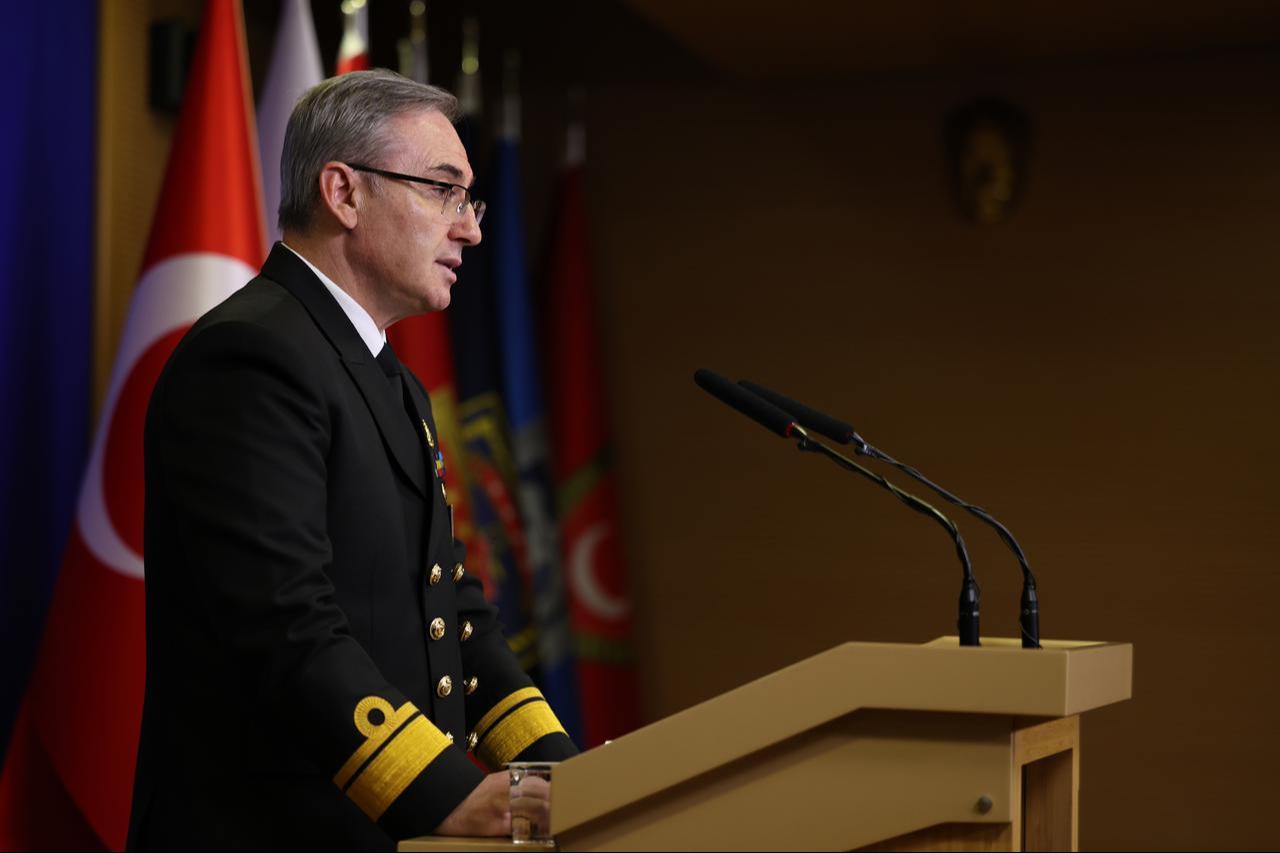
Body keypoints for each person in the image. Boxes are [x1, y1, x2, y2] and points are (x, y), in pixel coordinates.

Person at [127, 70, 577, 852]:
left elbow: (450, 607)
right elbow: (284, 622)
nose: (468, 228)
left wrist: (557, 768)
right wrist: (442, 793)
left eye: (468, 199)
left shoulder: (390, 379)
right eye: (443, 190)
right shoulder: (251, 356)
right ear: (343, 193)